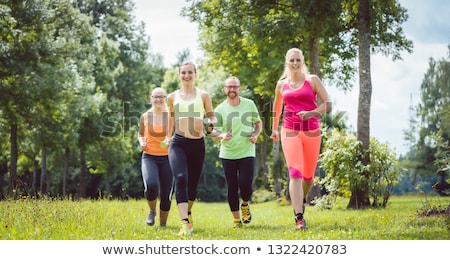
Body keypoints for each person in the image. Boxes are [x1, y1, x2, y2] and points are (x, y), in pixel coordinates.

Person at [270, 48, 331, 230]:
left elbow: (328, 104)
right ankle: (299, 218)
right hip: (289, 131)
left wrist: (312, 112)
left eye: (298, 60)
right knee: (295, 173)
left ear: (302, 61)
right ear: (286, 62)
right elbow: (276, 108)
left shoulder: (312, 81)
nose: (295, 63)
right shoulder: (282, 85)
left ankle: (300, 201)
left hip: (312, 132)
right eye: (292, 60)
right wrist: (274, 129)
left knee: (308, 178)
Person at [166, 61, 215, 235]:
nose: (187, 75)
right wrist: (167, 136)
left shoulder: (203, 95)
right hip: (178, 142)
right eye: (183, 72)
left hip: (197, 144)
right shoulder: (172, 97)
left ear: (195, 74)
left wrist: (212, 129)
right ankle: (184, 222)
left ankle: (188, 211)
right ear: (179, 75)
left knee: (192, 186)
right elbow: (171, 118)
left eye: (190, 72)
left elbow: (210, 117)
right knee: (180, 178)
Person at [209, 76, 262, 228]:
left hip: (247, 151)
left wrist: (256, 134)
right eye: (229, 87)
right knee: (232, 187)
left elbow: (258, 123)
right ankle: (237, 220)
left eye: (235, 86)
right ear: (225, 89)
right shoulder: (220, 109)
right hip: (228, 154)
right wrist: (221, 135)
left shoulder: (249, 104)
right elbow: (209, 130)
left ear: (239, 88)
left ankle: (245, 204)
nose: (232, 89)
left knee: (245, 185)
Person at [138, 87, 173, 227]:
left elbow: (180, 134)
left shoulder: (171, 115)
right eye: (155, 96)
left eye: (162, 96)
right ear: (151, 99)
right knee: (151, 185)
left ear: (166, 98)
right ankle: (152, 211)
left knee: (166, 194)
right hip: (149, 157)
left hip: (168, 158)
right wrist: (141, 142)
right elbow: (140, 134)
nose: (158, 99)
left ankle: (163, 225)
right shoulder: (145, 116)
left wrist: (171, 139)